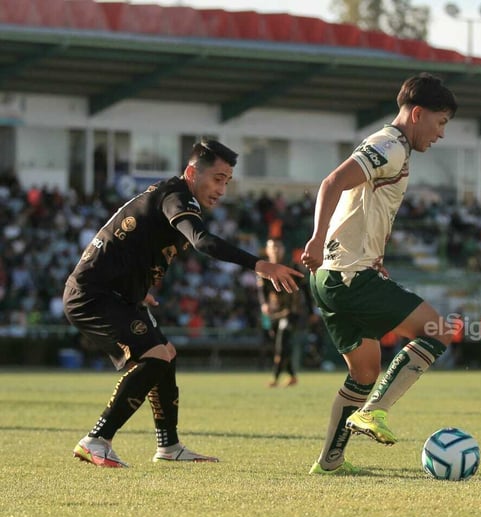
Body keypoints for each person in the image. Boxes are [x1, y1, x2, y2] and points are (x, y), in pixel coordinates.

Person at [65, 139, 303, 468]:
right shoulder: (178, 197)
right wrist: (260, 265)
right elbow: (203, 242)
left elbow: (127, 246)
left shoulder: (171, 197)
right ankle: (96, 440)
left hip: (114, 292)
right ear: (192, 172)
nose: (222, 189)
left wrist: (138, 287)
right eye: (218, 178)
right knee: (155, 356)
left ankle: (169, 446)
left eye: (227, 181)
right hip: (93, 295)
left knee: (166, 353)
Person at [301, 72, 457, 475]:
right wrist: (316, 240)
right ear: (418, 113)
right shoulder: (389, 146)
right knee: (438, 330)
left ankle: (330, 461)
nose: (440, 134)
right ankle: (374, 413)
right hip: (349, 276)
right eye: (440, 123)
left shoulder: (390, 147)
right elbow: (332, 182)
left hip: (334, 277)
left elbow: (358, 203)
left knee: (366, 370)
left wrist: (372, 252)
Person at [260, 239, 311, 388]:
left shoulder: (292, 267)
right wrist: (264, 304)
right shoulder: (264, 268)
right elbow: (261, 289)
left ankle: (275, 377)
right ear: (267, 250)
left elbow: (305, 288)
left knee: (282, 344)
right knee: (281, 344)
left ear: (283, 250)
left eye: (278, 247)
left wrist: (310, 309)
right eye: (272, 247)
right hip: (274, 312)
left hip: (291, 312)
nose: (275, 250)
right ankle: (292, 376)